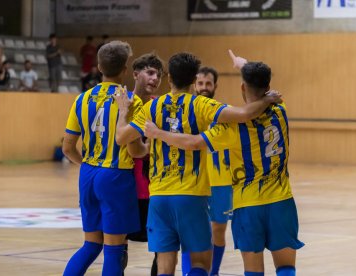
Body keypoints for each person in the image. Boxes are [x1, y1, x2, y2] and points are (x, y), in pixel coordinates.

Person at [113, 51, 282, 276]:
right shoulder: (201, 105)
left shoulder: (152, 107)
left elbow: (122, 139)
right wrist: (266, 98)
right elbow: (243, 114)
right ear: (194, 81)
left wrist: (124, 111)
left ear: (169, 78)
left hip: (159, 197)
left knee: (164, 267)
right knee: (201, 263)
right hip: (192, 195)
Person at [62, 41, 145, 275]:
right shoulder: (131, 102)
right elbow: (133, 150)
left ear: (99, 67)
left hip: (88, 174)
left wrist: (87, 165)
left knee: (90, 245)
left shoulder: (81, 99)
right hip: (116, 176)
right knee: (113, 250)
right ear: (125, 70)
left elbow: (68, 148)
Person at [182, 66, 233, 276]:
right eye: (200, 83)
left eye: (208, 84)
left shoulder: (224, 112)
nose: (204, 87)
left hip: (221, 182)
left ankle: (214, 272)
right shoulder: (186, 111)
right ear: (194, 85)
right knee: (190, 232)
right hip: (193, 180)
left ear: (215, 86)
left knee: (218, 231)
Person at [124, 53, 164, 276]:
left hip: (154, 189)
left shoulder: (159, 108)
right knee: (119, 245)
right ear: (135, 74)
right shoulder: (121, 104)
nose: (155, 78)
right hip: (127, 188)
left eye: (158, 75)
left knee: (161, 248)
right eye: (150, 72)